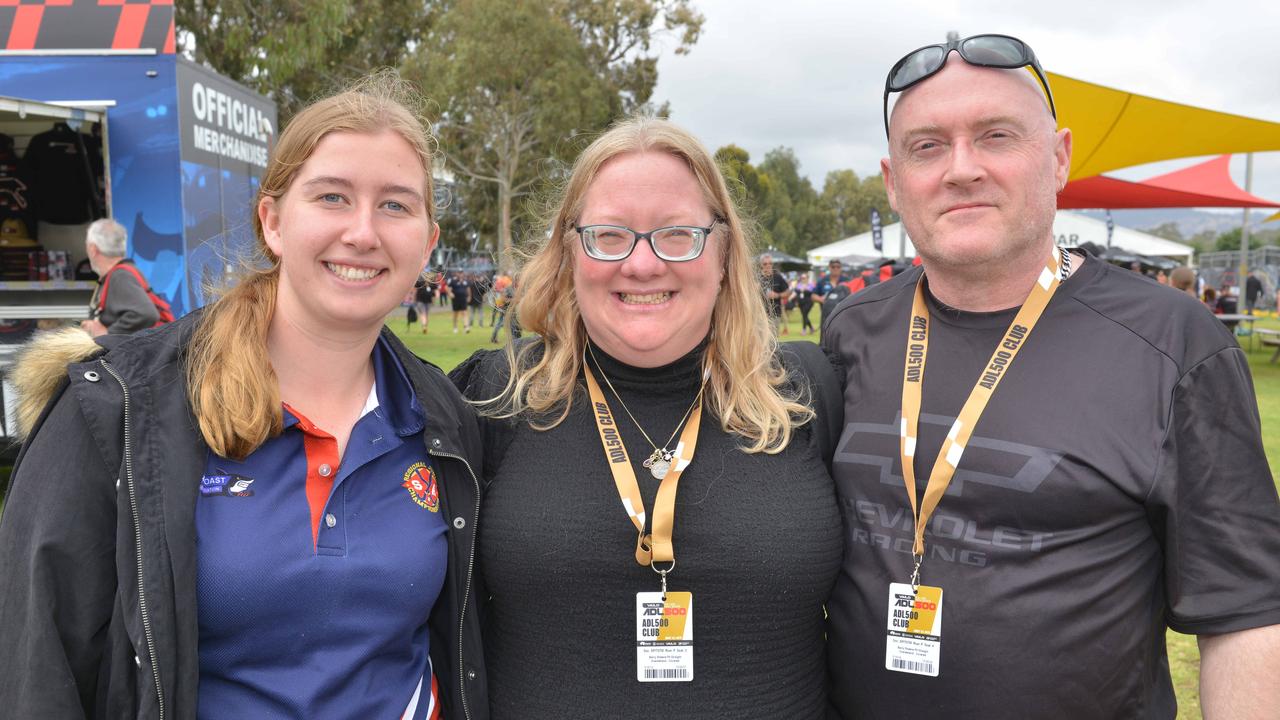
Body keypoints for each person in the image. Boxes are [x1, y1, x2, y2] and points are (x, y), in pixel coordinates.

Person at [0, 72, 487, 720]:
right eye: (333, 197)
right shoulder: (119, 410)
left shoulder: (445, 421)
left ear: (427, 244)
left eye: (395, 205)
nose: (364, 233)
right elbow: (38, 672)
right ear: (273, 221)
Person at [823, 34, 1280, 719]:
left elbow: (1245, 614)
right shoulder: (849, 330)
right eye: (927, 146)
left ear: (1060, 157)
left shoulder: (1173, 342)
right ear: (893, 182)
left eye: (996, 136)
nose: (962, 169)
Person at [450, 116, 842, 719]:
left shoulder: (806, 393)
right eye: (609, 235)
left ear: (724, 249)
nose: (641, 264)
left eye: (676, 234)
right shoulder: (494, 396)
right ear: (569, 249)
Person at [81, 217, 161, 336]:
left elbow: (148, 314)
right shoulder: (116, 275)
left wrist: (107, 333)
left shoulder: (120, 277)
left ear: (93, 249)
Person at [814, 258, 852, 334]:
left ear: (841, 268)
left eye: (838, 267)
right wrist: (823, 300)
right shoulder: (823, 280)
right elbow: (813, 295)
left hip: (843, 317)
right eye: (833, 266)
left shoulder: (847, 280)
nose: (835, 268)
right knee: (826, 340)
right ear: (829, 267)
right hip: (826, 317)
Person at [760, 254, 791, 334]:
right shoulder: (757, 278)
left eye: (770, 263)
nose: (768, 265)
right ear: (761, 265)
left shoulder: (778, 277)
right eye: (765, 264)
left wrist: (777, 295)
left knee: (773, 340)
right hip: (760, 314)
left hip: (775, 314)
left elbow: (788, 292)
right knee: (760, 339)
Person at [794, 270, 817, 335]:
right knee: (805, 316)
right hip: (801, 303)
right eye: (802, 278)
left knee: (804, 315)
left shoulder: (810, 285)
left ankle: (804, 330)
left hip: (809, 302)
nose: (803, 279)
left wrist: (805, 289)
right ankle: (811, 328)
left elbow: (812, 292)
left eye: (804, 278)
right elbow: (796, 291)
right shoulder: (799, 285)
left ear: (807, 278)